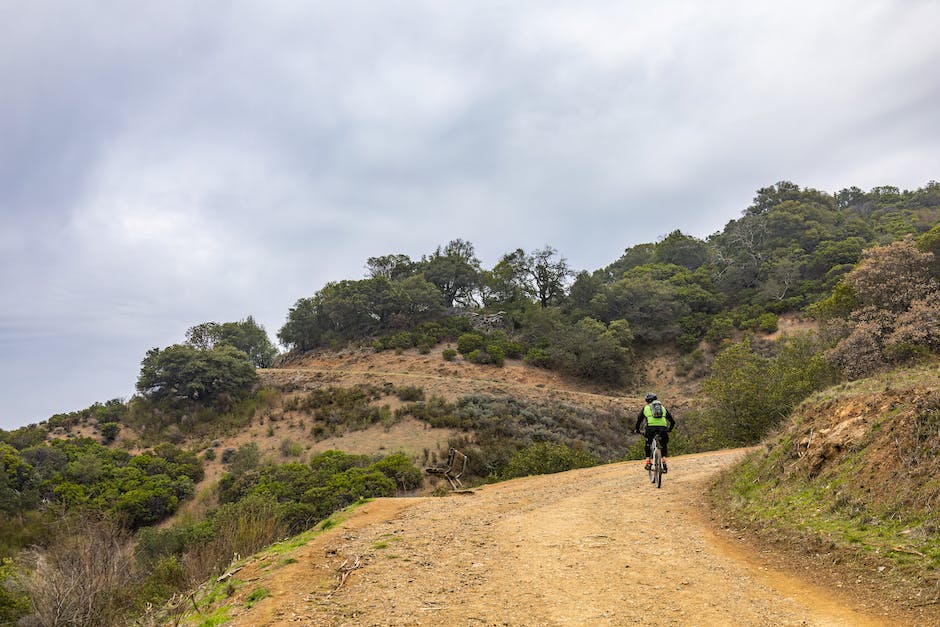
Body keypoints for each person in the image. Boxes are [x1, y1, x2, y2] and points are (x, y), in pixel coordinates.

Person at [633, 393, 676, 473]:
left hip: (650, 428)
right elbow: (672, 421)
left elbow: (639, 420)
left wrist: (637, 429)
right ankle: (663, 461)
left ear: (647, 401)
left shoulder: (646, 408)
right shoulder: (663, 408)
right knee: (663, 444)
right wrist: (669, 429)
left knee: (648, 444)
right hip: (663, 428)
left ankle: (648, 462)